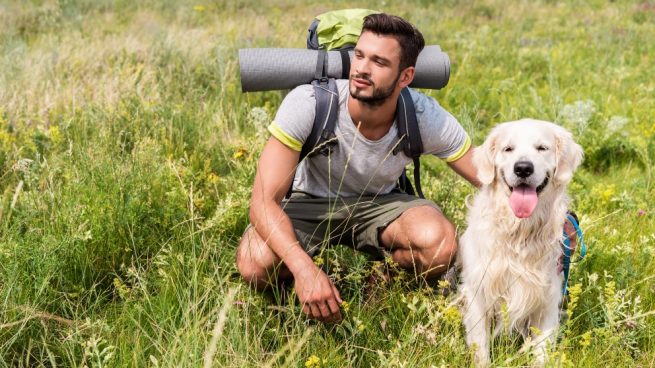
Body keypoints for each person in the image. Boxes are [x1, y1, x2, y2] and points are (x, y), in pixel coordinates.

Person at [236, 13, 577, 323]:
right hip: (309, 202)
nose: (362, 69)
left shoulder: (423, 115)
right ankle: (303, 293)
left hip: (380, 205)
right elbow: (263, 202)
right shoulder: (310, 103)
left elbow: (487, 172)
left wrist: (559, 216)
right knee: (254, 261)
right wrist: (304, 269)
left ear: (406, 76)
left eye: (379, 62)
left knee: (440, 243)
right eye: (360, 56)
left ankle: (374, 288)